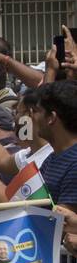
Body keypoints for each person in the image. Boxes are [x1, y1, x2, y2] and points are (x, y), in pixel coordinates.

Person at [36, 80, 77, 210]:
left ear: (51, 118)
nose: (33, 117)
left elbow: (61, 223)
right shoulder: (52, 158)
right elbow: (23, 202)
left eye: (37, 111)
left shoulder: (75, 165)